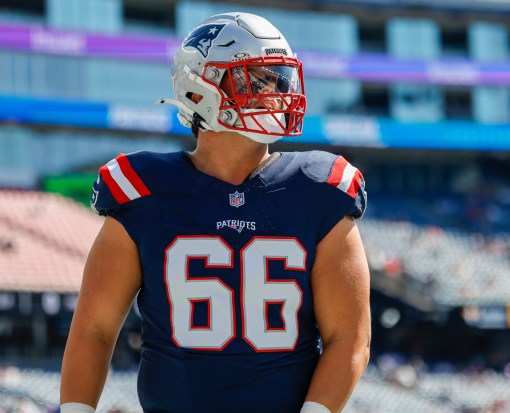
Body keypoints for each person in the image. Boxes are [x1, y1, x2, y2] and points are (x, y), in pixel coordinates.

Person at [60, 11, 370, 413]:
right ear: (197, 89)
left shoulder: (319, 188)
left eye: (279, 78)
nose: (276, 92)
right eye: (256, 79)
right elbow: (95, 329)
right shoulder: (144, 191)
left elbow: (350, 338)